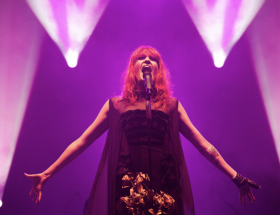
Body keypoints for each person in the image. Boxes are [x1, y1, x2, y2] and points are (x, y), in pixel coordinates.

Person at [25, 46, 260, 215]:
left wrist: (236, 177)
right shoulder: (116, 105)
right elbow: (81, 142)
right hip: (127, 185)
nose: (147, 61)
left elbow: (206, 147)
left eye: (153, 58)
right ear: (132, 67)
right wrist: (48, 173)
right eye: (141, 57)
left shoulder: (171, 106)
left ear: (158, 69)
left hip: (162, 184)